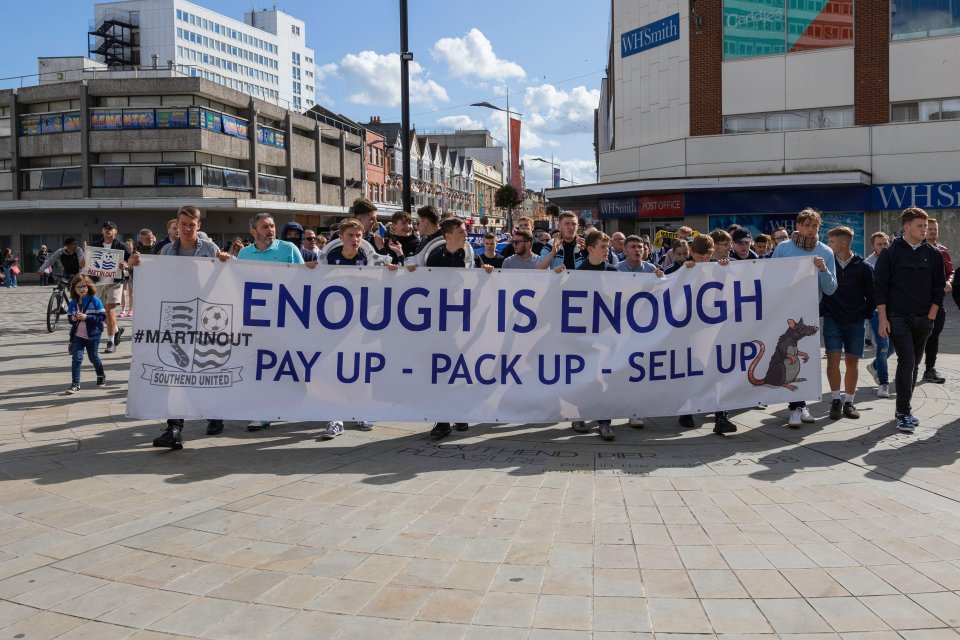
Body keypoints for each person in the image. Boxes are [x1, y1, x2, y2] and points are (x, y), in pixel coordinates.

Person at [127, 205, 233, 448]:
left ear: (199, 226)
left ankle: (214, 414)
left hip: (206, 319)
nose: (186, 229)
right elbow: (153, 280)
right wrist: (135, 267)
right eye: (182, 224)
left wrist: (227, 261)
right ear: (176, 224)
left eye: (191, 224)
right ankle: (174, 428)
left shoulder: (209, 248)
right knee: (176, 371)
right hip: (177, 318)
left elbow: (229, 276)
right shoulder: (166, 250)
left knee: (205, 369)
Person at [408, 217, 493, 439]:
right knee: (442, 372)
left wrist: (487, 271)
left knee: (461, 372)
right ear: (448, 236)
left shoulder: (471, 255)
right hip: (440, 325)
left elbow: (481, 279)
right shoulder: (435, 258)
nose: (466, 234)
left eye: (465, 231)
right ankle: (443, 420)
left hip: (463, 325)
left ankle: (461, 414)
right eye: (462, 231)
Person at [318, 219, 400, 440]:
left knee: (362, 368)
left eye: (359, 235)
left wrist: (391, 270)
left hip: (362, 325)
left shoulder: (367, 258)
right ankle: (335, 418)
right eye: (351, 235)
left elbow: (384, 280)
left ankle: (364, 411)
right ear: (341, 237)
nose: (355, 239)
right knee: (335, 368)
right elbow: (314, 281)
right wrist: (310, 271)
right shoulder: (329, 258)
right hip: (334, 323)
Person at [874, 207, 945, 433]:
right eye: (920, 226)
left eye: (926, 226)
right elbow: (880, 288)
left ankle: (906, 408)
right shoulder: (890, 252)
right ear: (906, 227)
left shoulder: (934, 254)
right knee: (907, 361)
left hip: (924, 320)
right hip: (898, 317)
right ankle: (902, 412)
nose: (925, 229)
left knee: (914, 364)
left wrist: (931, 317)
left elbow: (938, 288)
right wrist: (883, 319)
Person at [238, 212, 309, 432]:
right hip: (257, 320)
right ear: (253, 231)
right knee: (261, 367)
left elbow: (304, 281)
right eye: (265, 227)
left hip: (286, 318)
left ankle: (303, 405)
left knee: (293, 365)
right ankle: (263, 411)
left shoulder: (289, 250)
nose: (270, 230)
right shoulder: (244, 253)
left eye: (272, 226)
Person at [772, 208, 838, 428]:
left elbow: (830, 289)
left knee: (807, 359)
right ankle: (796, 407)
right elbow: (770, 278)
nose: (811, 230)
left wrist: (823, 269)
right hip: (786, 311)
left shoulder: (825, 251)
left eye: (815, 226)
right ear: (798, 226)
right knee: (790, 357)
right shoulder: (783, 248)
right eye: (807, 225)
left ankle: (800, 405)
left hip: (810, 314)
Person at [670, 235, 736, 434]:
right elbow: (662, 281)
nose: (702, 261)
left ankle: (721, 416)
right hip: (688, 331)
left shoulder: (718, 266)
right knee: (690, 371)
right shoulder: (681, 266)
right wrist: (683, 270)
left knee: (716, 372)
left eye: (706, 257)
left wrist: (724, 269)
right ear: (691, 252)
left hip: (712, 329)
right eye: (699, 257)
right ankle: (687, 411)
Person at [821, 226, 873, 420]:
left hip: (855, 322)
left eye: (831, 242)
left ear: (843, 243)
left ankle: (849, 402)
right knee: (833, 359)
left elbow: (871, 294)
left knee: (852, 361)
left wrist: (863, 314)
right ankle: (835, 400)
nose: (828, 245)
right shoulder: (827, 263)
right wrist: (825, 310)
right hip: (832, 319)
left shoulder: (863, 266)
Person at [84, 222, 131, 354]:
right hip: (97, 283)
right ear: (102, 231)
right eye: (105, 228)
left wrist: (125, 266)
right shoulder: (95, 246)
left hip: (115, 282)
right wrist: (83, 262)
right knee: (99, 312)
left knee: (110, 311)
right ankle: (116, 330)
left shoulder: (122, 246)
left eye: (110, 229)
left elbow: (132, 264)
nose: (107, 230)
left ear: (115, 231)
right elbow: (87, 264)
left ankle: (110, 341)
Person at [919, 218, 953, 384]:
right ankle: (907, 367)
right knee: (914, 336)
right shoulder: (918, 250)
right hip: (917, 303)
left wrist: (950, 281)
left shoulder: (943, 250)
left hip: (937, 302)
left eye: (934, 229)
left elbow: (951, 272)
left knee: (934, 335)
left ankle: (929, 369)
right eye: (929, 229)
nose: (932, 231)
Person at [65, 275, 107, 394]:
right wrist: (73, 318)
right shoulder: (73, 302)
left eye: (83, 286)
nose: (81, 289)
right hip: (78, 335)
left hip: (93, 334)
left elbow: (102, 316)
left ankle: (101, 375)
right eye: (78, 287)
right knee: (77, 358)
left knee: (93, 357)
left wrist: (87, 317)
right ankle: (75, 384)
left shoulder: (95, 300)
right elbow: (70, 319)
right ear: (74, 288)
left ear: (89, 286)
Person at [865, 232, 894, 397]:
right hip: (876, 312)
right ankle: (884, 383)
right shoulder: (868, 264)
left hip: (895, 311)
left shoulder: (895, 259)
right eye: (879, 244)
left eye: (885, 244)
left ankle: (874, 365)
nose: (883, 247)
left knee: (893, 347)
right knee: (883, 346)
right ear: (873, 246)